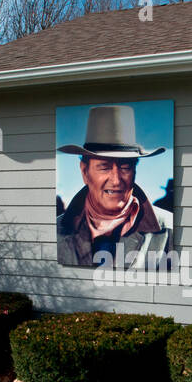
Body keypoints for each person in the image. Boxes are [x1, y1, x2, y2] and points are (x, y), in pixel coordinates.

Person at [57, 105, 173, 268]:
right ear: (85, 172)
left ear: (134, 171)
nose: (116, 180)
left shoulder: (168, 231)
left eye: (125, 167)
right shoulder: (57, 231)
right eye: (104, 167)